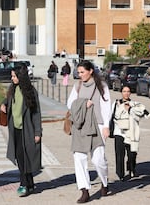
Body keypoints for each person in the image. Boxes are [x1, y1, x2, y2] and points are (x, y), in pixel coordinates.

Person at [66, 60, 111, 203]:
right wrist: (83, 104)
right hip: (81, 126)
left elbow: (106, 106)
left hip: (98, 125)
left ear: (91, 71)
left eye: (82, 72)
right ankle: (84, 190)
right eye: (78, 72)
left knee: (98, 160)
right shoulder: (78, 86)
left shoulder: (101, 85)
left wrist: (106, 126)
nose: (80, 75)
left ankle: (104, 182)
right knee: (79, 158)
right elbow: (70, 104)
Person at [0, 64, 42, 197]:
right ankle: (29, 183)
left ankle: (24, 184)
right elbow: (8, 100)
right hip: (15, 129)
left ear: (21, 76)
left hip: (27, 130)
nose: (12, 78)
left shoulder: (30, 91)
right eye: (12, 76)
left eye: (14, 76)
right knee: (19, 156)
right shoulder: (12, 89)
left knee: (25, 157)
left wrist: (37, 132)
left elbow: (36, 113)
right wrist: (3, 104)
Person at [113, 86, 150, 181]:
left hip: (131, 132)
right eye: (124, 91)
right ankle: (120, 174)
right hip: (119, 132)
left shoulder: (135, 104)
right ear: (121, 92)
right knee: (120, 154)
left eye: (128, 91)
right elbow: (112, 116)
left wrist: (131, 109)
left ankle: (131, 169)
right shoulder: (116, 103)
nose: (126, 93)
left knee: (132, 154)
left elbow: (144, 114)